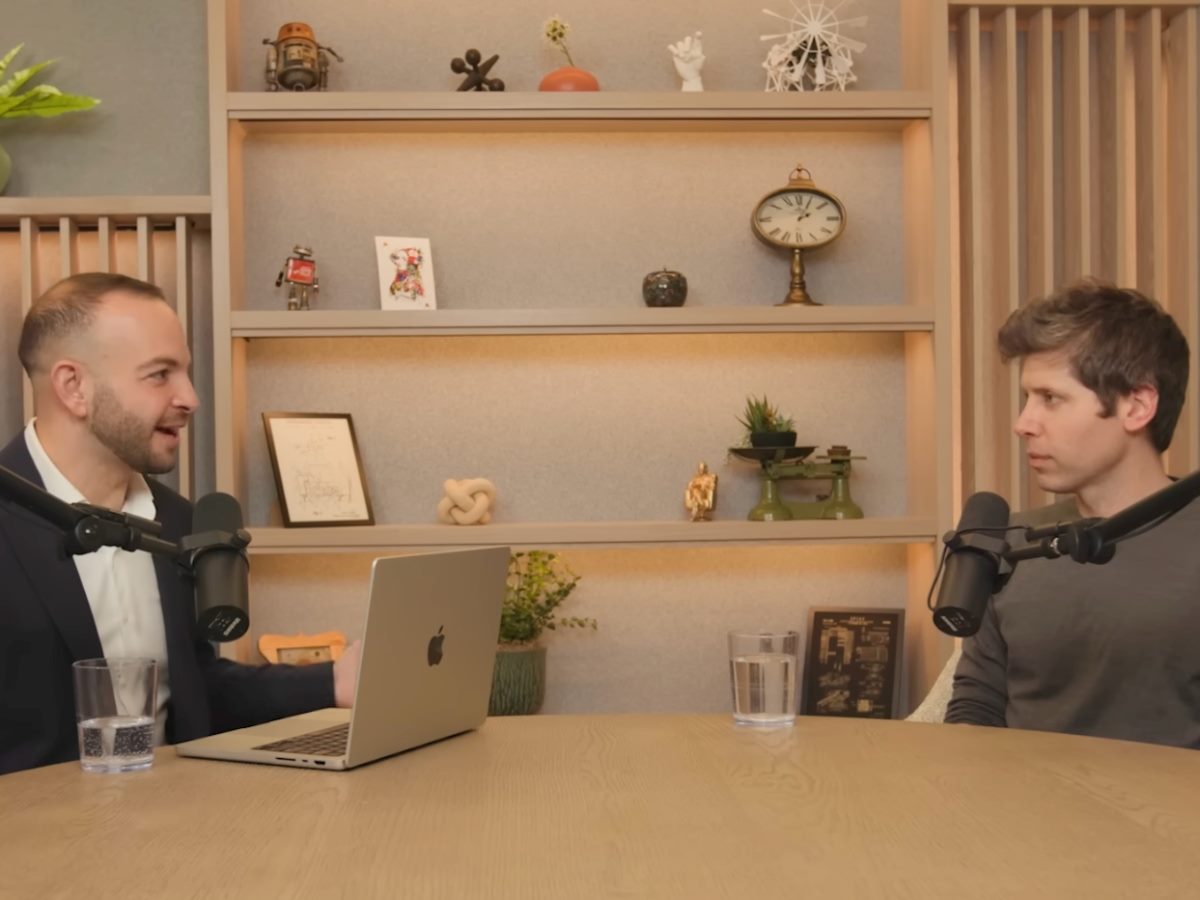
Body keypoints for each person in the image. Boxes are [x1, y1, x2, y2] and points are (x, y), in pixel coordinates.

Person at [0, 272, 360, 775]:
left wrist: (332, 682)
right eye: (159, 374)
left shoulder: (178, 522)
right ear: (73, 386)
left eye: (185, 373)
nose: (190, 397)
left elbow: (197, 686)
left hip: (177, 831)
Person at [945, 280, 1198, 749]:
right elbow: (977, 703)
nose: (1023, 424)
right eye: (1026, 398)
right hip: (1025, 814)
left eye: (1051, 399)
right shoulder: (1013, 540)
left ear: (1137, 406)